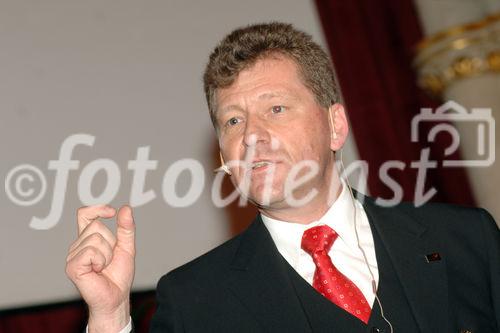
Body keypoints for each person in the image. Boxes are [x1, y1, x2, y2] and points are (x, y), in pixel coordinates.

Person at [66, 22, 500, 332]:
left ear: (335, 126)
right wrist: (109, 317)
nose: (252, 135)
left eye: (276, 109)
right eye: (233, 121)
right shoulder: (194, 299)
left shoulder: (465, 240)